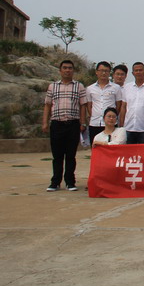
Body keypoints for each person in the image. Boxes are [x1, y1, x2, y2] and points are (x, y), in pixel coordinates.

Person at [43, 59, 87, 191]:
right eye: (65, 68)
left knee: (70, 155)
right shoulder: (53, 86)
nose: (67, 70)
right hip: (57, 124)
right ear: (60, 70)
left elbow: (83, 106)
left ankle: (70, 182)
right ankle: (55, 182)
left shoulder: (79, 86)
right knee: (57, 155)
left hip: (73, 124)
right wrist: (45, 122)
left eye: (70, 68)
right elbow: (47, 105)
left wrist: (83, 122)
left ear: (73, 70)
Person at [86, 61, 124, 145]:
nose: (103, 73)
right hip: (95, 123)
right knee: (95, 147)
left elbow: (118, 105)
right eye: (101, 70)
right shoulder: (90, 89)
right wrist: (94, 115)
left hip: (110, 124)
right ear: (96, 72)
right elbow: (89, 105)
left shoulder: (116, 88)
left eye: (106, 71)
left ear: (109, 73)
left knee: (111, 147)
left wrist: (112, 117)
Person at [122, 62, 144, 145]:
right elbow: (123, 107)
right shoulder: (127, 87)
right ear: (133, 73)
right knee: (129, 151)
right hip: (128, 127)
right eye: (136, 70)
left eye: (140, 70)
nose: (138, 72)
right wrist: (121, 125)